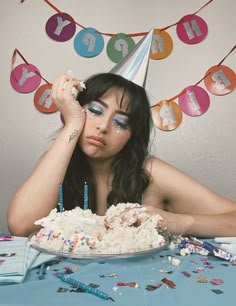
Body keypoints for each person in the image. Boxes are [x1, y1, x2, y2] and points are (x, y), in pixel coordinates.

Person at [7, 72, 236, 238]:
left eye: (121, 122)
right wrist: (73, 123)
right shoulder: (57, 162)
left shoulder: (150, 172)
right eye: (95, 111)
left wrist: (180, 222)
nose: (103, 126)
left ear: (132, 136)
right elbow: (20, 226)